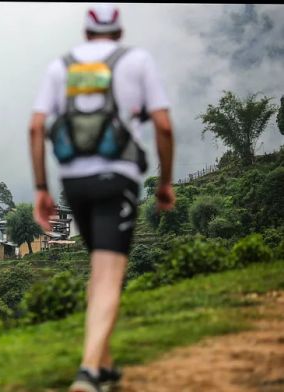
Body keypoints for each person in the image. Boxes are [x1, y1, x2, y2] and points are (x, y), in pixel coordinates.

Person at [28, 4, 176, 392]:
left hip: (74, 183)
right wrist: (166, 182)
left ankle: (105, 363)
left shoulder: (60, 67)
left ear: (87, 32)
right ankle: (89, 372)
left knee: (99, 270)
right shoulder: (137, 61)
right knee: (110, 275)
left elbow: (36, 127)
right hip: (118, 179)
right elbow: (162, 125)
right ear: (119, 31)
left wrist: (42, 188)